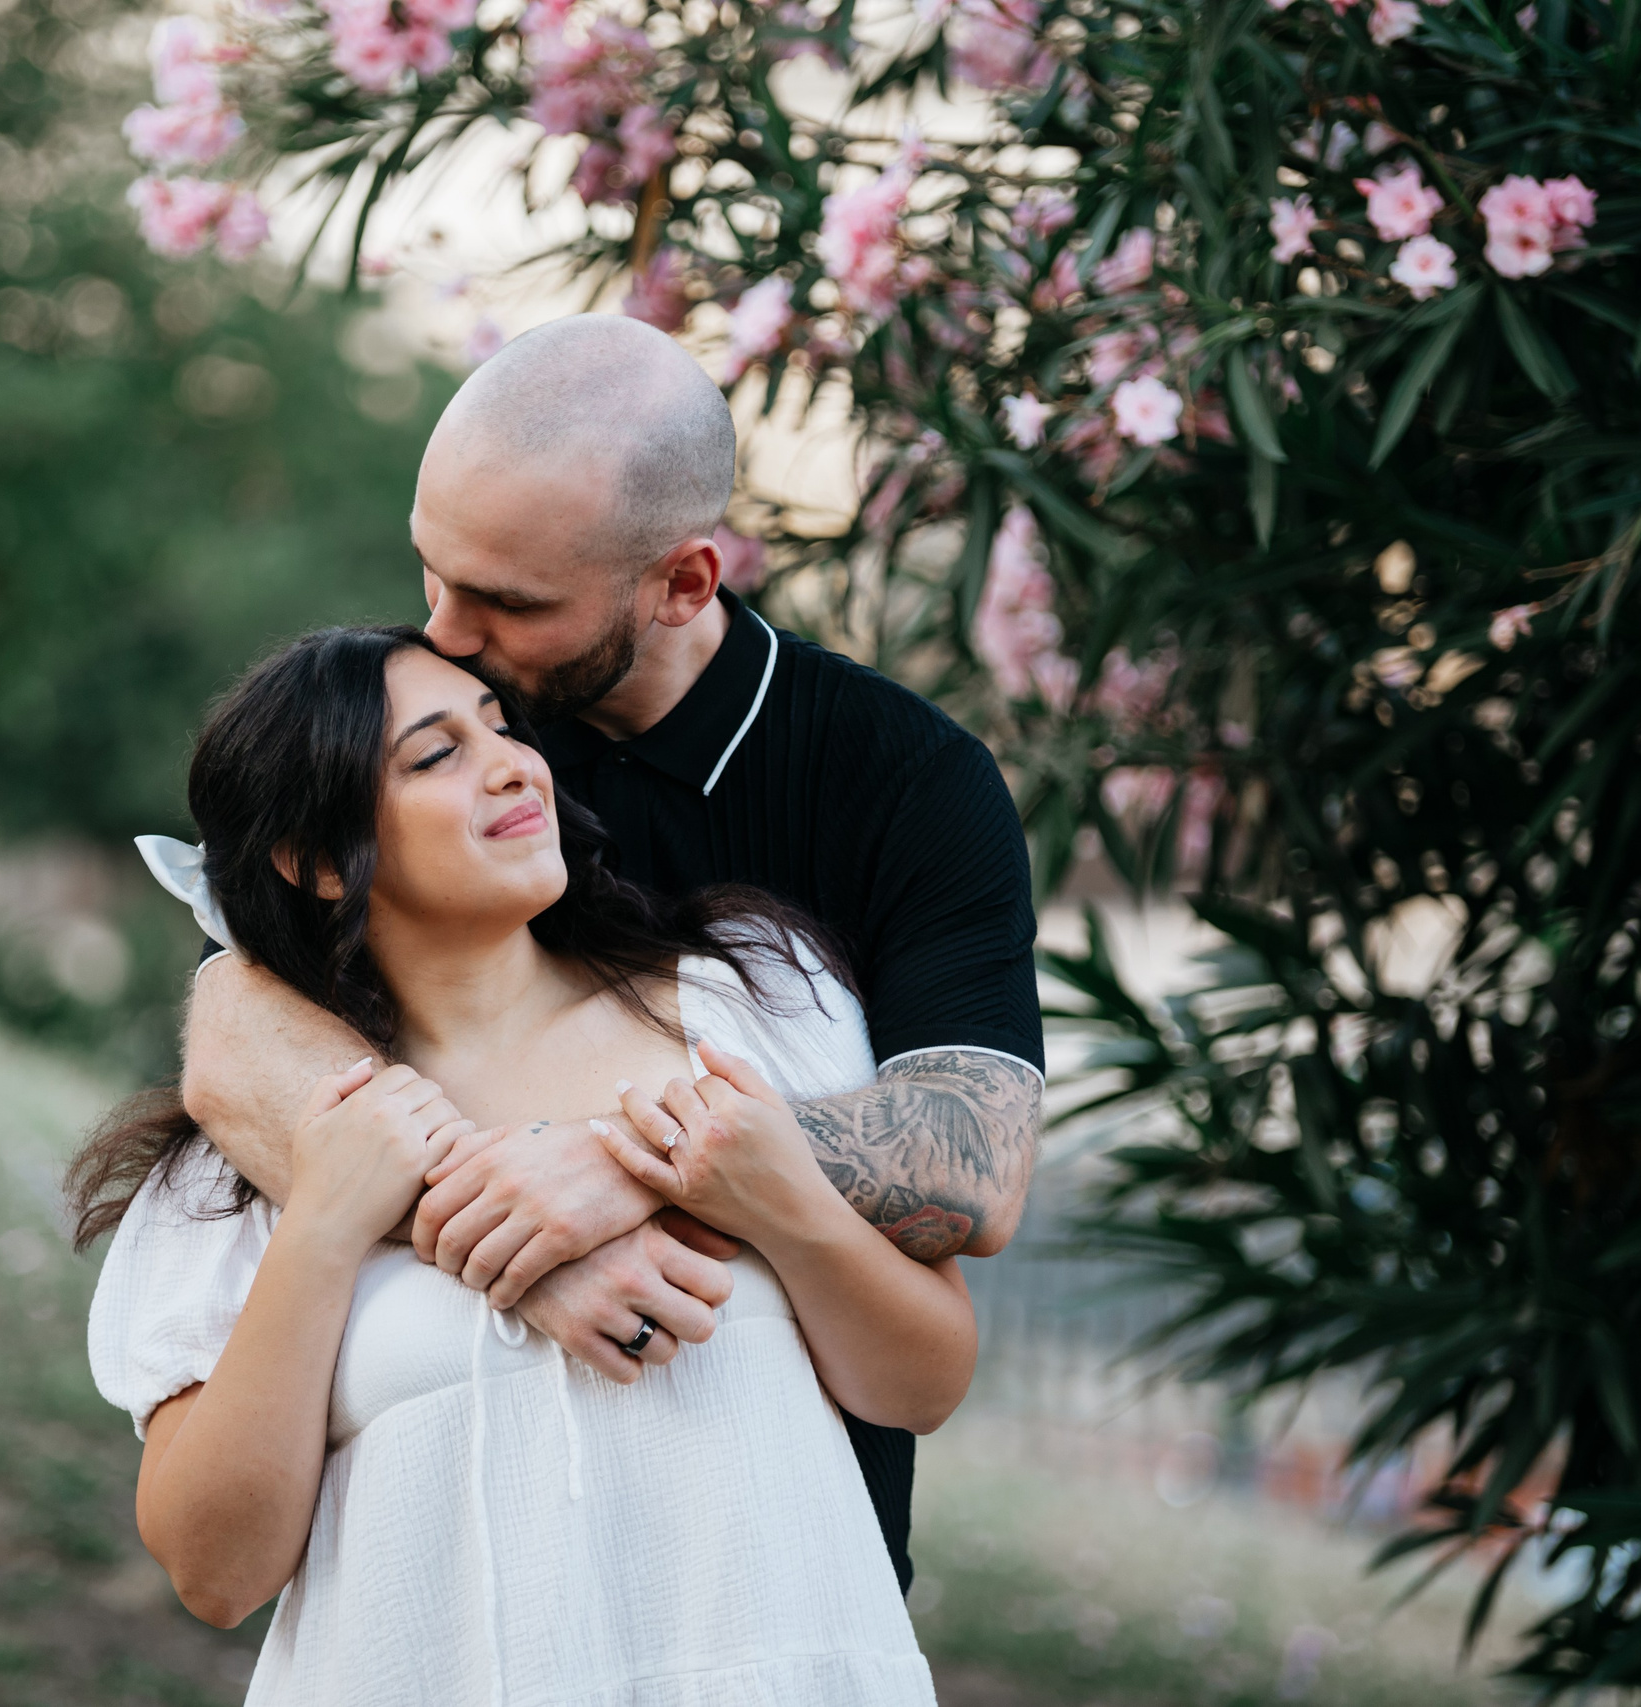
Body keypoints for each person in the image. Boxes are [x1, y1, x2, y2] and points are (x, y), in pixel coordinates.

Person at [180, 313, 1046, 1587]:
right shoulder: (454, 724)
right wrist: (511, 1238)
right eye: (433, 573)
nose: (445, 632)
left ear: (684, 582)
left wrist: (616, 1163)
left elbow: (973, 1163)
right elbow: (232, 1014)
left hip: (787, 1558)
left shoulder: (906, 782)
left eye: (507, 603)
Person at [75, 626, 973, 1704]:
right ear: (314, 860)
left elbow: (925, 1382)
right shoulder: (246, 1159)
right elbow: (215, 1575)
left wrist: (786, 1205)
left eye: (502, 729)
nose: (512, 764)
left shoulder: (749, 1004)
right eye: (433, 755)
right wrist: (323, 1225)